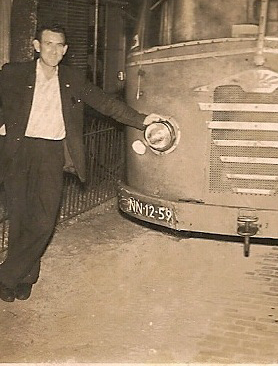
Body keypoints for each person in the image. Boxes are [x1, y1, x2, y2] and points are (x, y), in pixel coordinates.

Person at [0, 23, 160, 302]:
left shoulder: (72, 78)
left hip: (51, 153)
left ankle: (6, 275)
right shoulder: (13, 72)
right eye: (48, 44)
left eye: (59, 45)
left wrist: (143, 120)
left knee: (43, 221)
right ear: (37, 46)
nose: (53, 50)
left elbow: (106, 103)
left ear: (65, 50)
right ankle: (24, 277)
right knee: (20, 216)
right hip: (19, 151)